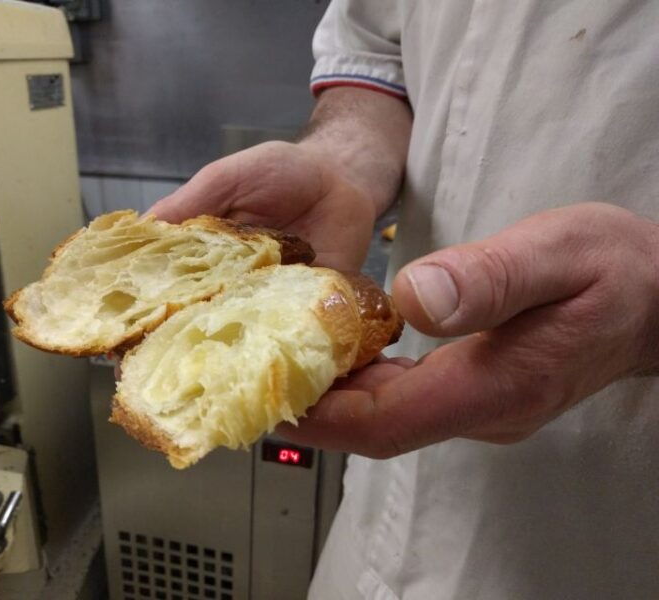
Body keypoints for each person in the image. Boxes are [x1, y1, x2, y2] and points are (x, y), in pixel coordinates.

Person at [152, 1, 659, 598]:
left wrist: (649, 311)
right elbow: (375, 53)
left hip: (612, 534)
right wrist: (340, 160)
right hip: (377, 515)